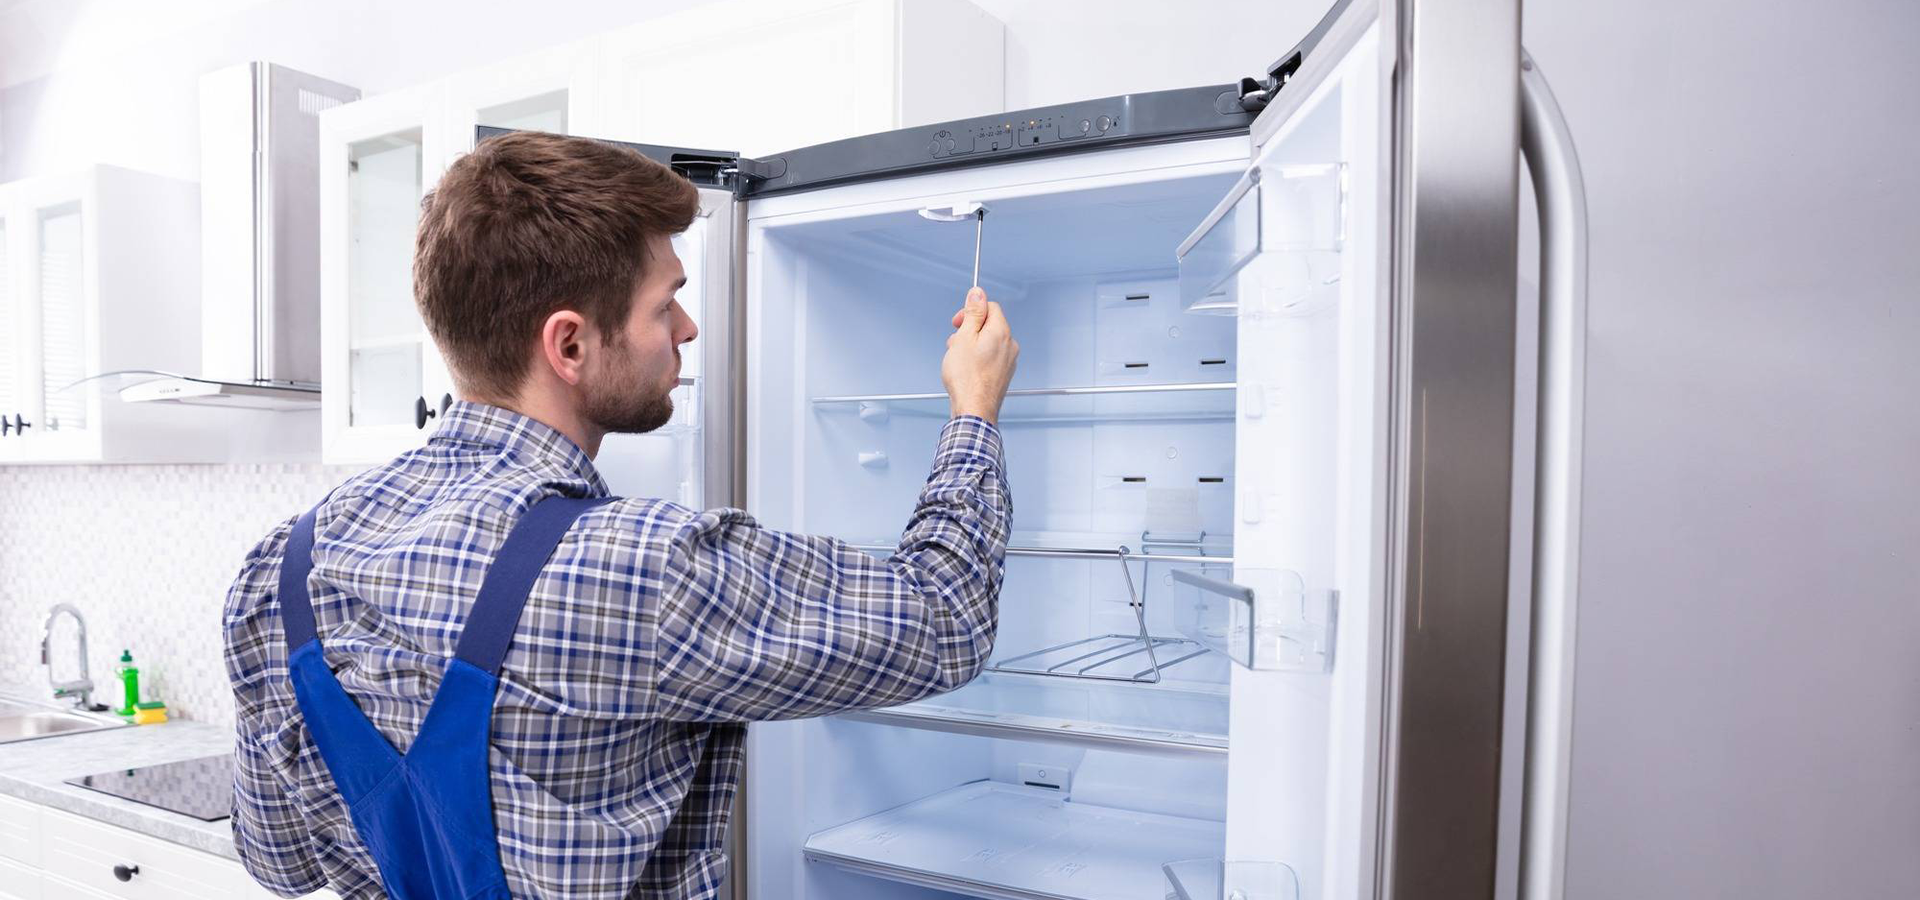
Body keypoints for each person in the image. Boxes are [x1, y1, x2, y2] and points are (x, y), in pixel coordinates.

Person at [222, 131, 1018, 899]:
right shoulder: (643, 568)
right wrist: (974, 408)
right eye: (665, 305)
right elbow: (943, 619)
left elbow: (279, 863)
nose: (688, 328)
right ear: (569, 345)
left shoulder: (280, 568)